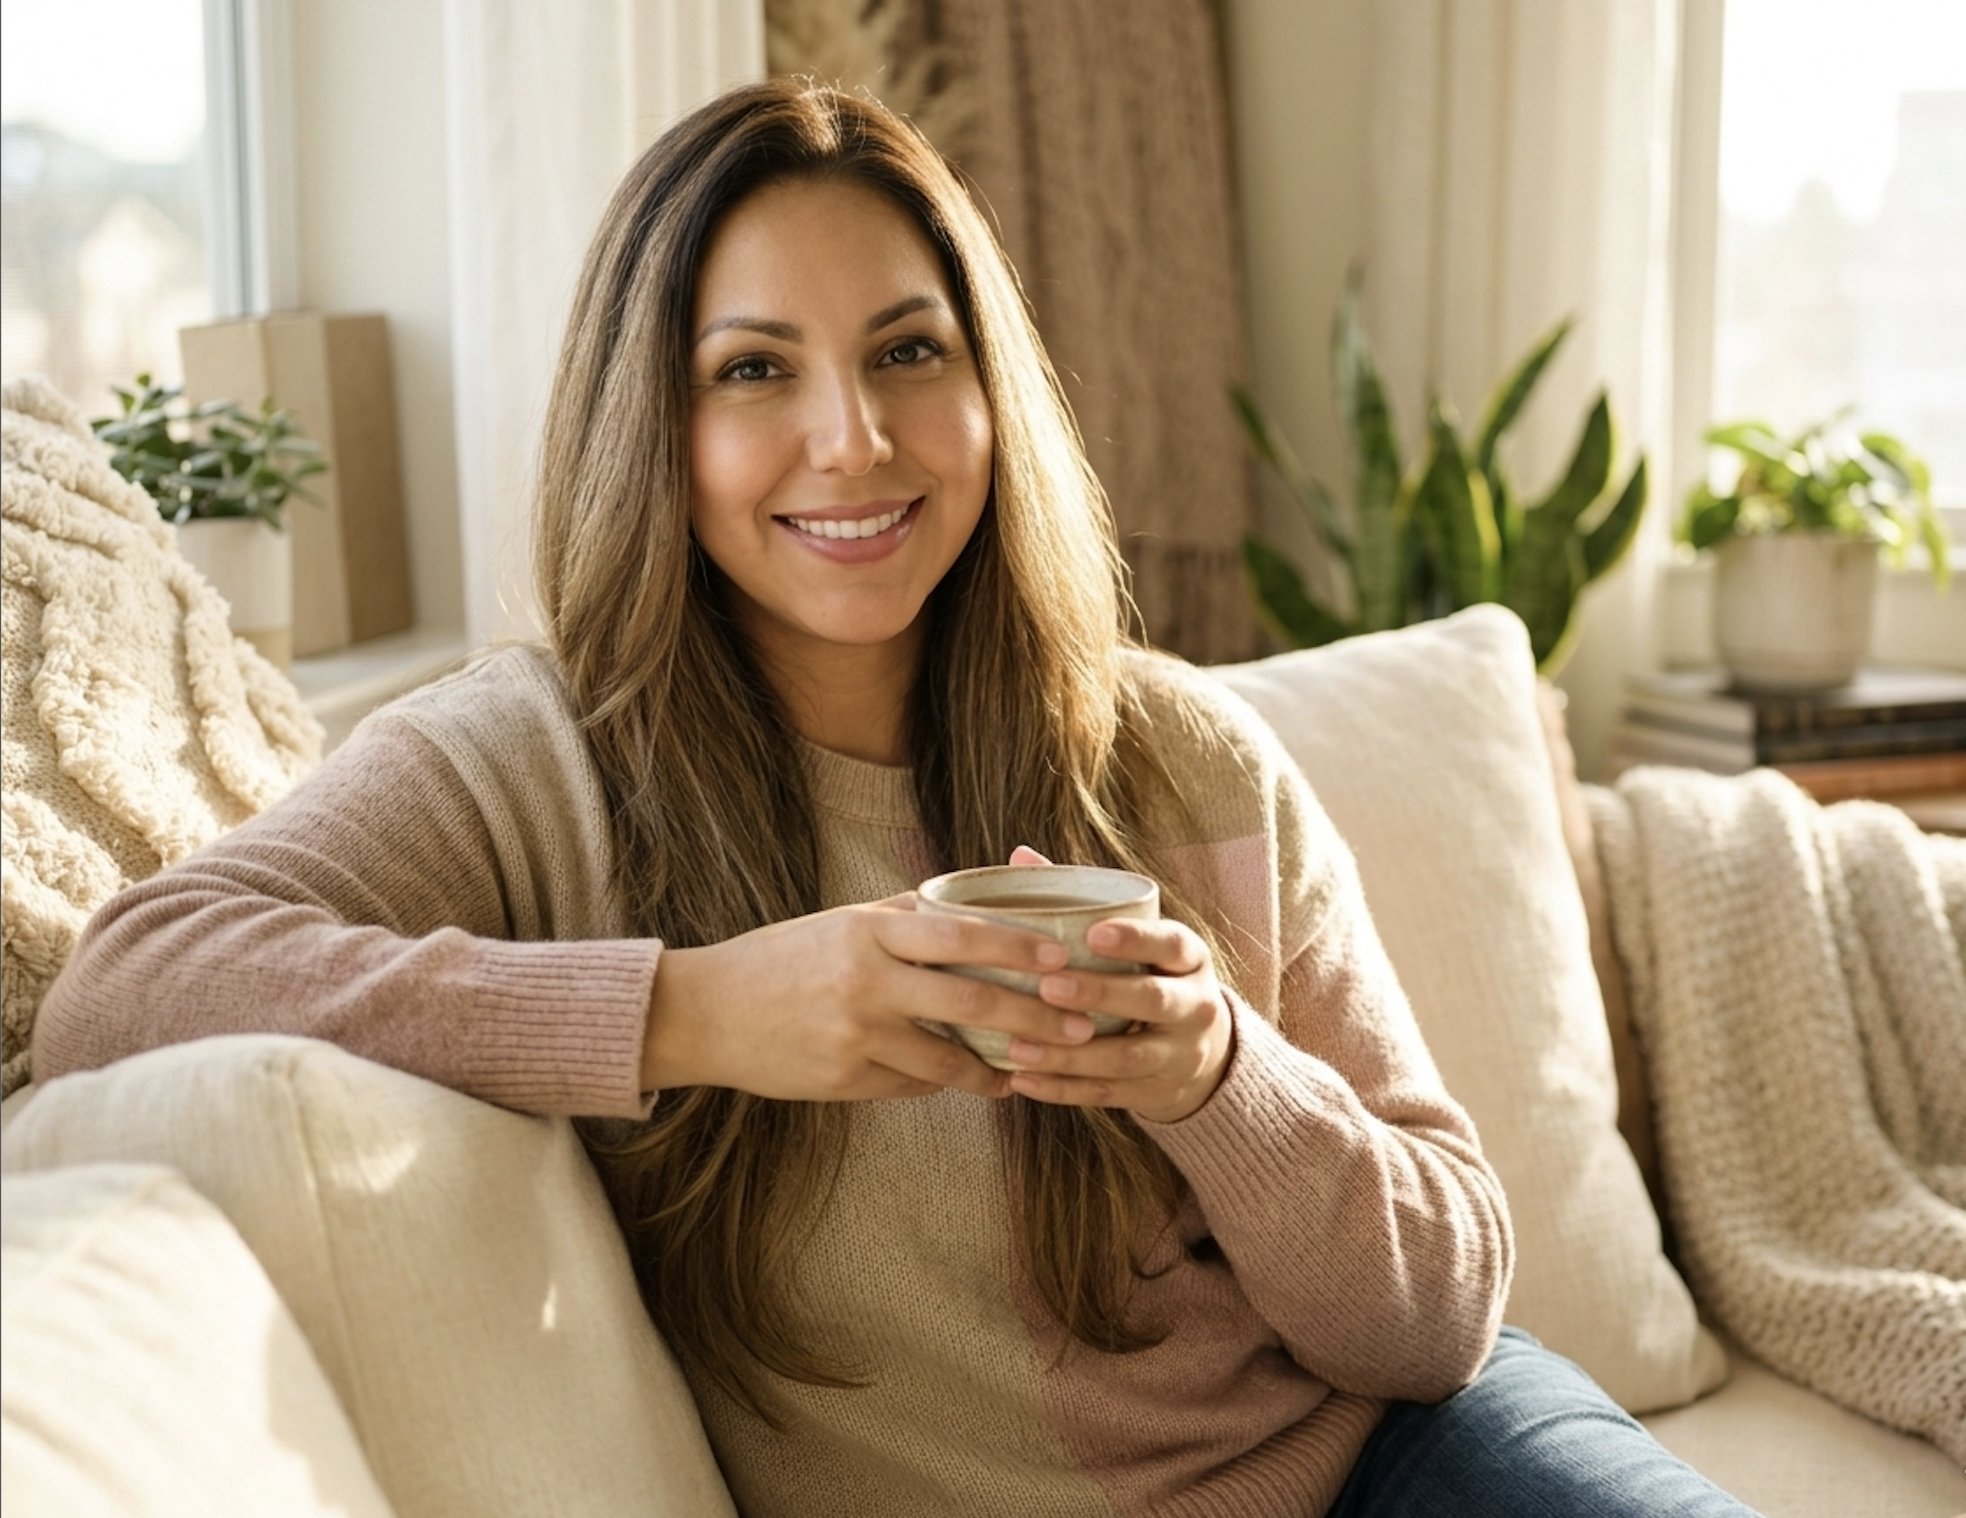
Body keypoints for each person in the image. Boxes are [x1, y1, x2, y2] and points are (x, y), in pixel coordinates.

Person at [35, 80, 1755, 1518]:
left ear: (989, 391)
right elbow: (123, 985)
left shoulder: (1182, 758)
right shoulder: (530, 761)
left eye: (909, 351)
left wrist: (1216, 1074)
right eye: (755, 369)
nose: (854, 439)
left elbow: (1441, 1314)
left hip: (1398, 1466)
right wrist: (692, 1009)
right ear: (655, 421)